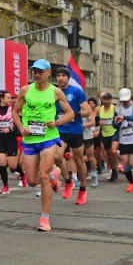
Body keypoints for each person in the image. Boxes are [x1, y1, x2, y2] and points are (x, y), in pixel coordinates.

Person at [13, 59, 75, 232]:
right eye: (35, 71)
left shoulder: (55, 92)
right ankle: (56, 173)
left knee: (44, 176)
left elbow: (70, 114)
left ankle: (45, 218)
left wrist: (56, 123)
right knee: (32, 182)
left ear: (49, 73)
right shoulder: (26, 90)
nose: (37, 75)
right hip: (30, 139)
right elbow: (15, 112)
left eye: (41, 72)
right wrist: (21, 127)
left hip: (48, 137)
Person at [54, 67, 90, 205]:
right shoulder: (54, 92)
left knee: (79, 161)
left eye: (63, 75)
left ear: (68, 78)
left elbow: (88, 110)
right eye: (58, 75)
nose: (60, 78)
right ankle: (68, 181)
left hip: (75, 131)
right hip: (60, 130)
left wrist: (76, 114)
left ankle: (82, 189)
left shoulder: (76, 92)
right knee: (57, 156)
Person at [0, 92, 21, 194]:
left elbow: (19, 124)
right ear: (2, 99)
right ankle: (5, 186)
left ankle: (23, 174)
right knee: (2, 163)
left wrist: (11, 129)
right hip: (0, 140)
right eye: (8, 98)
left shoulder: (13, 110)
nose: (10, 100)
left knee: (12, 165)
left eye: (10, 98)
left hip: (11, 139)